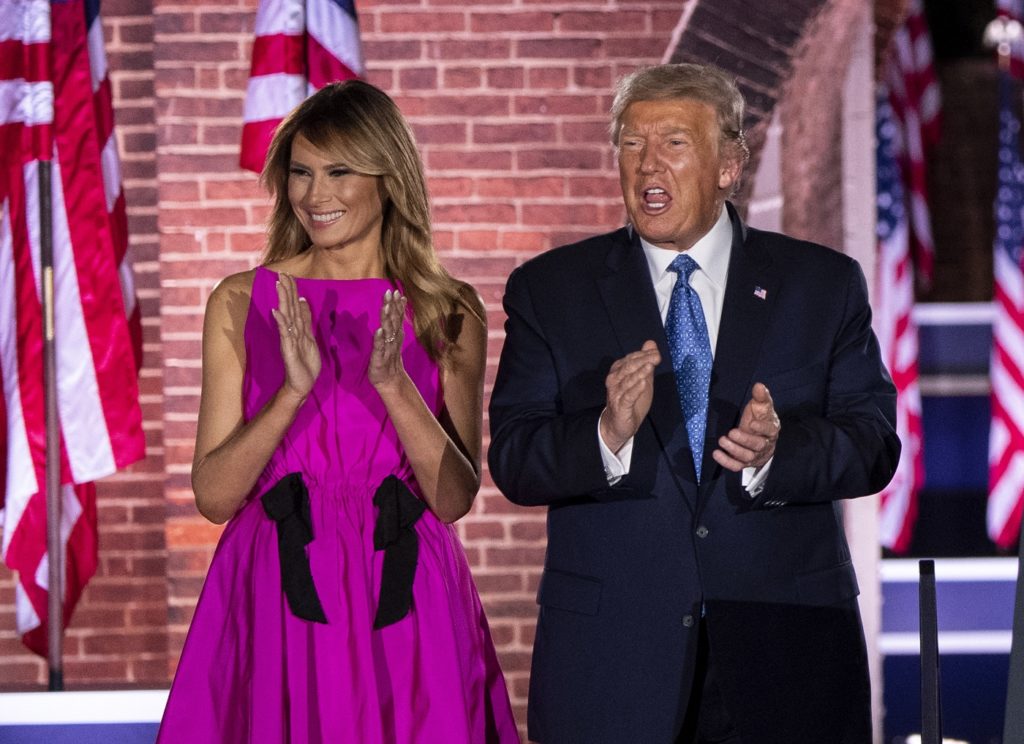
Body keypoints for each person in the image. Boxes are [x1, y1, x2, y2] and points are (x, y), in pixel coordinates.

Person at [488, 63, 900, 744]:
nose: (648, 164)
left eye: (674, 143)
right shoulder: (550, 291)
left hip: (786, 654)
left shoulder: (820, 285)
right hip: (613, 661)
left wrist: (779, 452)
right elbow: (514, 457)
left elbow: (873, 443)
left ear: (728, 166)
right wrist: (605, 433)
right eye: (630, 144)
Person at [157, 80, 519, 744]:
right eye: (300, 172)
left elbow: (452, 498)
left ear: (388, 178)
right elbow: (213, 496)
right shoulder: (240, 301)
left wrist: (392, 384)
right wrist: (291, 393)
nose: (315, 194)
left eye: (339, 171)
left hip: (404, 588)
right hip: (277, 582)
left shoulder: (448, 307)